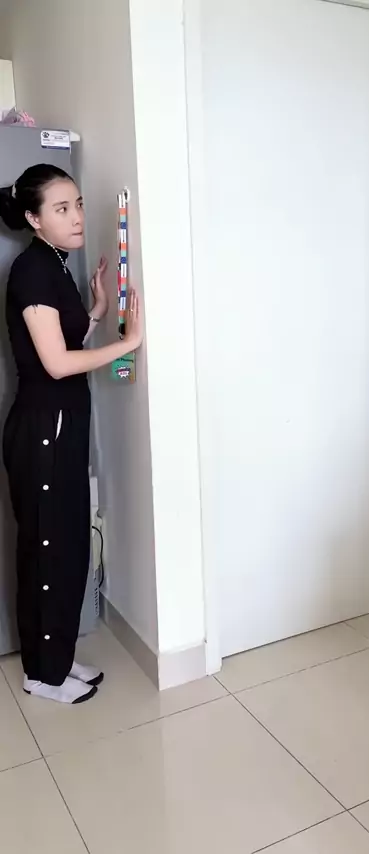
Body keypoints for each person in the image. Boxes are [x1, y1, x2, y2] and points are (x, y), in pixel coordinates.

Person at [0, 164, 143, 704]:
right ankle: (42, 674)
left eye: (78, 204)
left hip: (60, 426)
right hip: (43, 430)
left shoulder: (54, 264)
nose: (78, 216)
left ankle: (56, 658)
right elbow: (57, 363)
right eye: (62, 209)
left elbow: (66, 335)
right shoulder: (32, 271)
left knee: (66, 547)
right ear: (34, 219)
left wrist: (98, 308)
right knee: (47, 552)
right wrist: (126, 345)